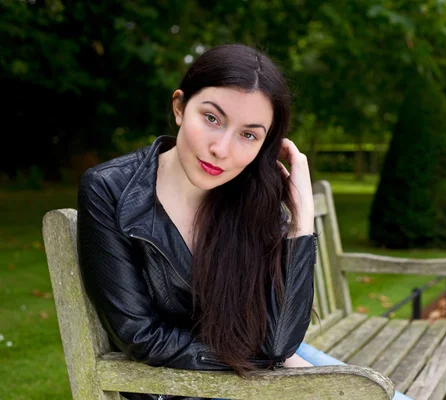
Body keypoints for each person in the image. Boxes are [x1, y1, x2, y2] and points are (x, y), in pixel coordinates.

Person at [77, 44, 411, 400]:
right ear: (179, 107)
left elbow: (278, 341)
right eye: (211, 118)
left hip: (253, 368)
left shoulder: (251, 199)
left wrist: (300, 223)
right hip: (181, 386)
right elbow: (142, 337)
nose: (221, 148)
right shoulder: (111, 188)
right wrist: (270, 361)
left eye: (248, 135)